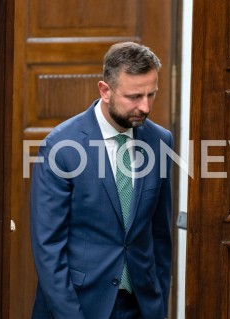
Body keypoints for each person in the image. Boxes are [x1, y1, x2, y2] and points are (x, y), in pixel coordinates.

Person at [30, 42, 173, 319]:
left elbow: (160, 236)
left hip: (140, 306)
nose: (145, 106)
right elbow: (49, 249)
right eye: (134, 96)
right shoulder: (61, 147)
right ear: (105, 91)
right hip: (78, 307)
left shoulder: (160, 141)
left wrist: (158, 305)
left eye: (151, 94)